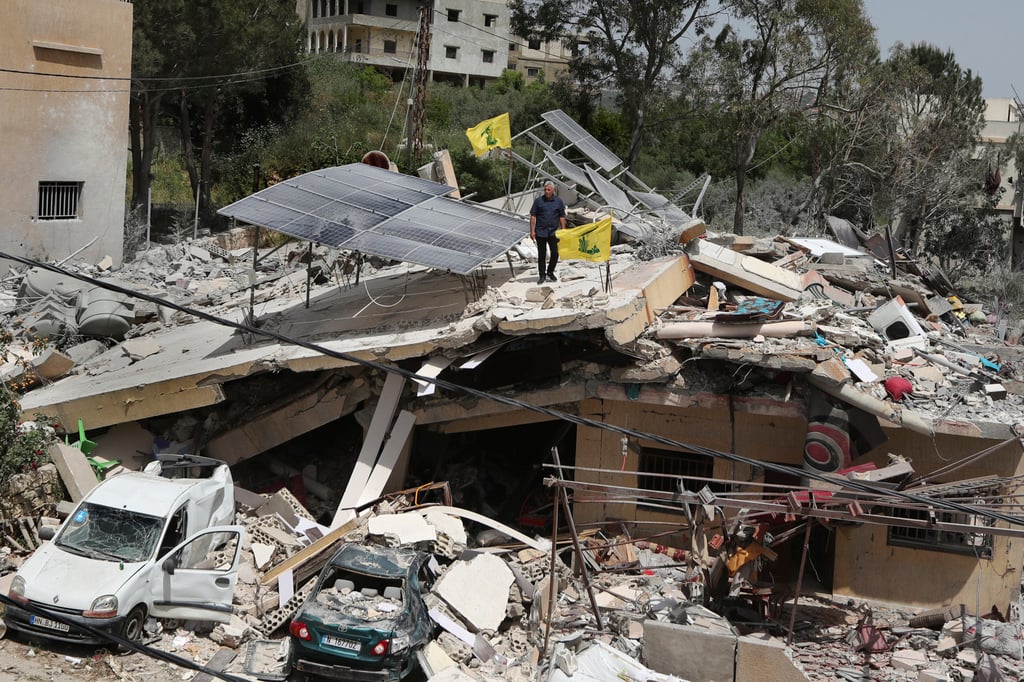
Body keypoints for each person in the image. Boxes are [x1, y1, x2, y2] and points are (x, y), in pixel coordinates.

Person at [529, 181, 567, 284]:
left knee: (555, 253)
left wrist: (563, 230)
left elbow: (562, 216)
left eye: (548, 190)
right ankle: (542, 275)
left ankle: (550, 271)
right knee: (542, 254)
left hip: (554, 232)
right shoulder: (538, 201)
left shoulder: (558, 201)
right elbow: (533, 216)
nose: (546, 191)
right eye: (545, 189)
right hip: (541, 232)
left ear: (553, 190)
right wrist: (532, 231)